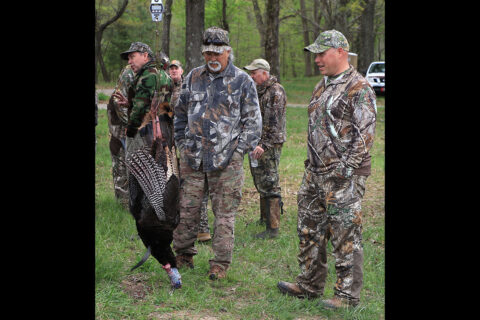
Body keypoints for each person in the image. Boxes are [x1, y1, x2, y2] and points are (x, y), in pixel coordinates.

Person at [276, 30, 377, 309]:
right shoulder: (322, 85)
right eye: (315, 54)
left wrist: (344, 171)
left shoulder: (359, 88)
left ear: (341, 52)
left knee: (345, 235)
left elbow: (365, 136)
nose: (317, 59)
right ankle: (308, 284)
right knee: (308, 229)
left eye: (322, 53)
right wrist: (312, 168)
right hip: (315, 173)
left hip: (344, 176)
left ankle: (346, 297)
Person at [172, 26, 262, 280]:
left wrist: (238, 152)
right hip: (193, 158)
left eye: (217, 53)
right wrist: (182, 143)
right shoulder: (192, 77)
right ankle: (183, 255)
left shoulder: (243, 80)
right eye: (208, 53)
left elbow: (253, 122)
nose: (212, 58)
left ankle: (219, 264)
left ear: (228, 52)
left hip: (227, 161)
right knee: (186, 210)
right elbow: (179, 113)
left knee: (224, 214)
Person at [113, 42, 182, 290]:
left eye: (132, 57)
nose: (130, 61)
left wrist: (131, 131)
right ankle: (170, 265)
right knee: (158, 207)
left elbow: (143, 110)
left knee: (146, 213)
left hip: (148, 144)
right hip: (164, 141)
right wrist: (130, 104)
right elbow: (162, 109)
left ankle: (170, 264)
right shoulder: (162, 74)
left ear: (145, 55)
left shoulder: (146, 77)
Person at [169, 59, 212, 242]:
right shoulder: (166, 88)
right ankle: (190, 229)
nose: (173, 71)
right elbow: (170, 111)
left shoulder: (190, 84)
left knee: (198, 188)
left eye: (175, 68)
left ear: (182, 70)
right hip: (178, 139)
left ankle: (202, 230)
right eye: (170, 68)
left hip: (197, 143)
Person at [243, 58, 287, 239]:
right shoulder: (259, 91)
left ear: (264, 73)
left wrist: (263, 145)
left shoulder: (275, 91)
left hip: (269, 144)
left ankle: (273, 228)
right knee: (260, 179)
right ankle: (264, 218)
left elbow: (273, 123)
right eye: (251, 73)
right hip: (257, 143)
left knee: (270, 182)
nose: (251, 76)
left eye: (254, 73)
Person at [106, 64, 135, 209]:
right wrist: (132, 124)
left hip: (129, 131)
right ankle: (123, 204)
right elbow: (118, 104)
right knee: (120, 164)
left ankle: (131, 202)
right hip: (120, 130)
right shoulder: (129, 73)